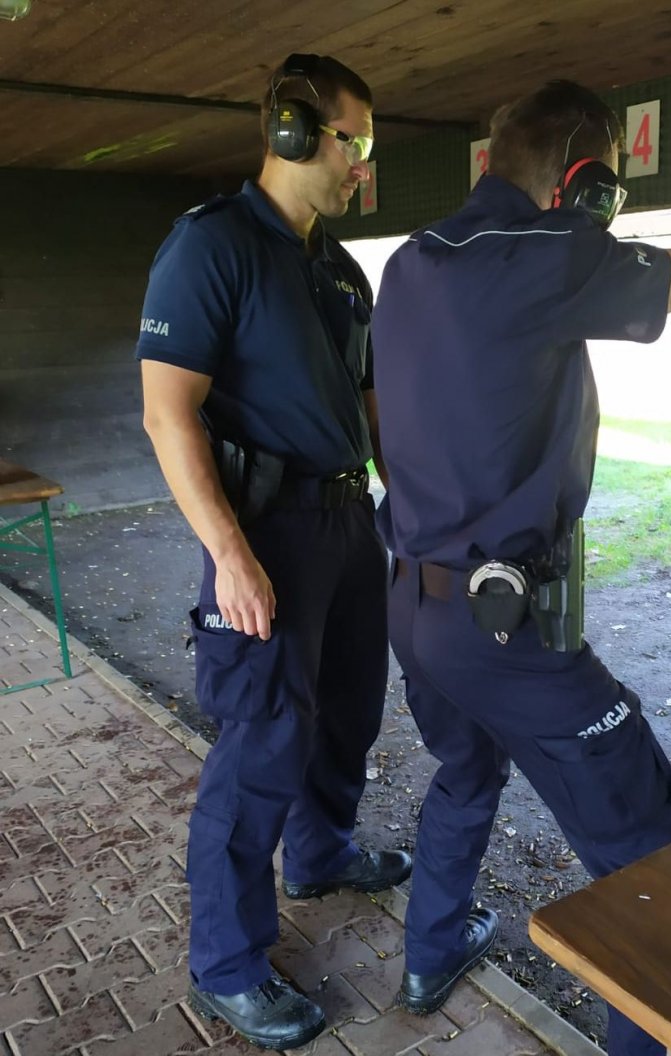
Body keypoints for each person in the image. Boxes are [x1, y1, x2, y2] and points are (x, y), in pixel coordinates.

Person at [370, 80, 671, 1056]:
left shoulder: (414, 262)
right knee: (647, 854)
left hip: (416, 602)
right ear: (586, 181)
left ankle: (430, 951)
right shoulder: (537, 252)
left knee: (464, 772)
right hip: (505, 632)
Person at [135, 53, 411, 1051]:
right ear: (294, 130)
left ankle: (323, 852)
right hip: (267, 531)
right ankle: (229, 962)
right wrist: (229, 552)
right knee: (262, 744)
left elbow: (375, 410)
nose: (362, 168)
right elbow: (169, 415)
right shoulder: (213, 248)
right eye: (356, 143)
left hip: (347, 523)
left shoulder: (340, 270)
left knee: (347, 710)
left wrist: (410, 514)